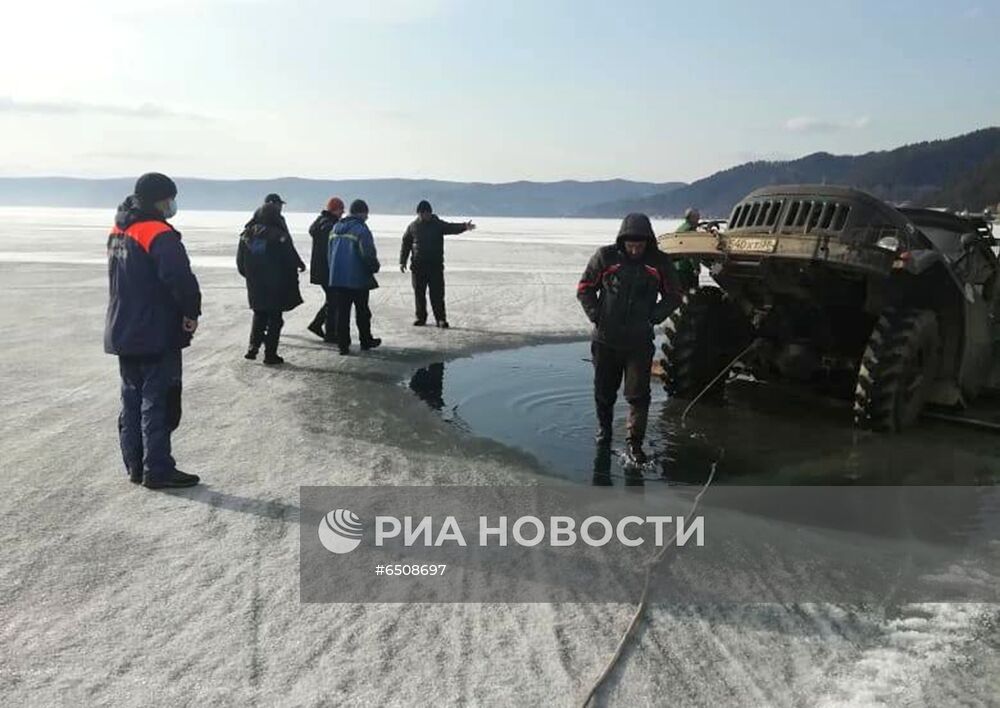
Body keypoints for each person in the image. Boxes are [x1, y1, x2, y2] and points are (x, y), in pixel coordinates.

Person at [104, 172, 202, 489]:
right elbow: (180, 278)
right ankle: (157, 469)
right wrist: (191, 311)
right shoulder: (158, 233)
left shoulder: (120, 228)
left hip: (123, 327)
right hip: (155, 330)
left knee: (131, 401)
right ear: (162, 199)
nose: (173, 205)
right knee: (157, 402)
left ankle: (136, 465)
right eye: (171, 198)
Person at [577, 213, 682, 464]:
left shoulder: (659, 263)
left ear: (648, 241)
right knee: (604, 391)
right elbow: (584, 288)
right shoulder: (606, 257)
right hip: (606, 338)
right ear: (622, 240)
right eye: (630, 244)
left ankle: (634, 443)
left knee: (638, 395)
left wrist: (654, 317)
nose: (635, 249)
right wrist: (596, 315)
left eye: (640, 244)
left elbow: (674, 295)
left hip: (638, 342)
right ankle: (604, 430)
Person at [237, 201, 305, 365]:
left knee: (259, 314)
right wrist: (295, 271)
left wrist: (251, 277)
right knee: (275, 318)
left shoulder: (246, 235)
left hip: (255, 283)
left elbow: (240, 263)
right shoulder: (280, 235)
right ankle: (270, 354)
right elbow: (289, 259)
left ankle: (252, 348)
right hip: (276, 283)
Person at [399, 200, 475, 328]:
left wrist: (464, 226)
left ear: (430, 212)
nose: (425, 215)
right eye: (422, 213)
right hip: (418, 267)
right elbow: (406, 244)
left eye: (427, 213)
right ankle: (420, 318)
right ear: (418, 213)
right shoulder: (413, 226)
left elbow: (451, 228)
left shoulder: (437, 224)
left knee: (437, 294)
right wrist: (402, 261)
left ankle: (440, 319)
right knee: (419, 294)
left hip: (435, 266)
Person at [328, 199, 382, 355]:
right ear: (362, 213)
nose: (367, 217)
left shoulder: (335, 229)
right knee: (362, 311)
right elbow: (368, 253)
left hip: (337, 278)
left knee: (342, 313)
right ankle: (365, 341)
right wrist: (374, 267)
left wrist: (333, 272)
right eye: (366, 214)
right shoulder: (361, 230)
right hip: (357, 279)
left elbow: (329, 254)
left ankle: (342, 345)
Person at [306, 197, 345, 339]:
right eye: (341, 209)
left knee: (332, 299)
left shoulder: (320, 222)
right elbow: (329, 249)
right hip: (327, 269)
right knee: (334, 299)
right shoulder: (329, 225)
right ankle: (322, 327)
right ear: (335, 209)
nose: (343, 213)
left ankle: (325, 329)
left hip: (320, 268)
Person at [672, 207, 701, 290]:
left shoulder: (681, 228)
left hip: (677, 266)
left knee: (682, 293)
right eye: (697, 217)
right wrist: (696, 267)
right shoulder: (690, 231)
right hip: (687, 268)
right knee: (692, 293)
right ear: (691, 218)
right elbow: (692, 251)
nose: (699, 219)